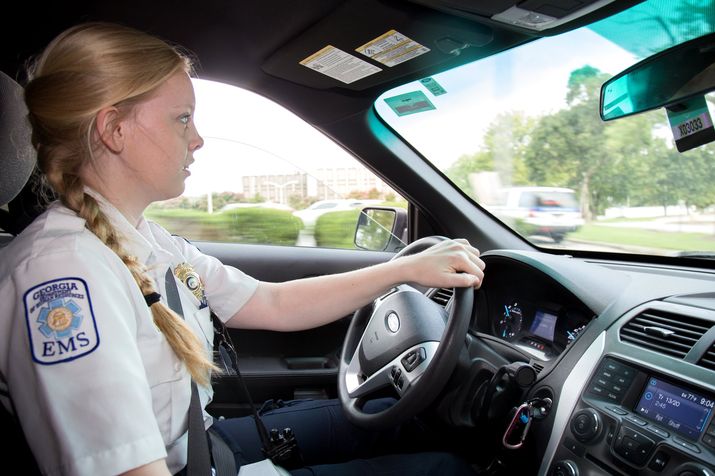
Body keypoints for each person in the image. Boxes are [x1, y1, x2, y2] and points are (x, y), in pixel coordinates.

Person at [0, 22, 486, 476]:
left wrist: (404, 269)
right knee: (445, 468)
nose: (198, 139)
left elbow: (271, 302)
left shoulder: (146, 240)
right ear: (115, 129)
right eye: (182, 119)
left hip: (206, 447)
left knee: (393, 418)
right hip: (192, 463)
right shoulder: (63, 274)